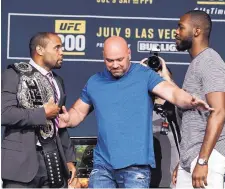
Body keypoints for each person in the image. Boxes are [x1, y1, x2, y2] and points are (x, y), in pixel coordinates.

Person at [58, 36, 212, 188]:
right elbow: (78, 111)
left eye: (120, 59)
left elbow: (171, 93)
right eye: (109, 61)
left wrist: (189, 99)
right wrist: (68, 119)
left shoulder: (144, 75)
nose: (115, 65)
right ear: (103, 58)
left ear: (129, 54)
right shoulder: (94, 82)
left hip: (135, 168)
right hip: (102, 166)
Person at [1, 32, 77, 188]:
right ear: (40, 50)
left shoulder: (57, 81)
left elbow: (60, 124)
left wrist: (69, 159)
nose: (61, 52)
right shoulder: (14, 74)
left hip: (53, 162)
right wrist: (42, 114)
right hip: (20, 164)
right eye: (57, 47)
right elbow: (4, 113)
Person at [170, 10, 225, 189]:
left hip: (208, 159)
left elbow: (219, 111)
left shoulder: (209, 61)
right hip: (193, 160)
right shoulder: (197, 63)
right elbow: (192, 121)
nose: (176, 32)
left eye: (181, 27)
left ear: (197, 31)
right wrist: (184, 162)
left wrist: (202, 161)